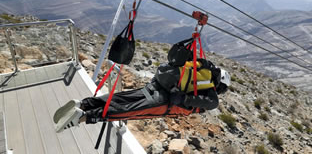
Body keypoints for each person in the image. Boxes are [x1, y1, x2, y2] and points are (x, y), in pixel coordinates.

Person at [54, 60, 231, 133]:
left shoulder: (199, 70)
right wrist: (183, 99)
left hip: (155, 86)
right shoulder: (211, 94)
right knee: (126, 111)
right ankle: (83, 117)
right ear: (221, 84)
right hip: (164, 103)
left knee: (122, 98)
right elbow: (203, 103)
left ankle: (84, 103)